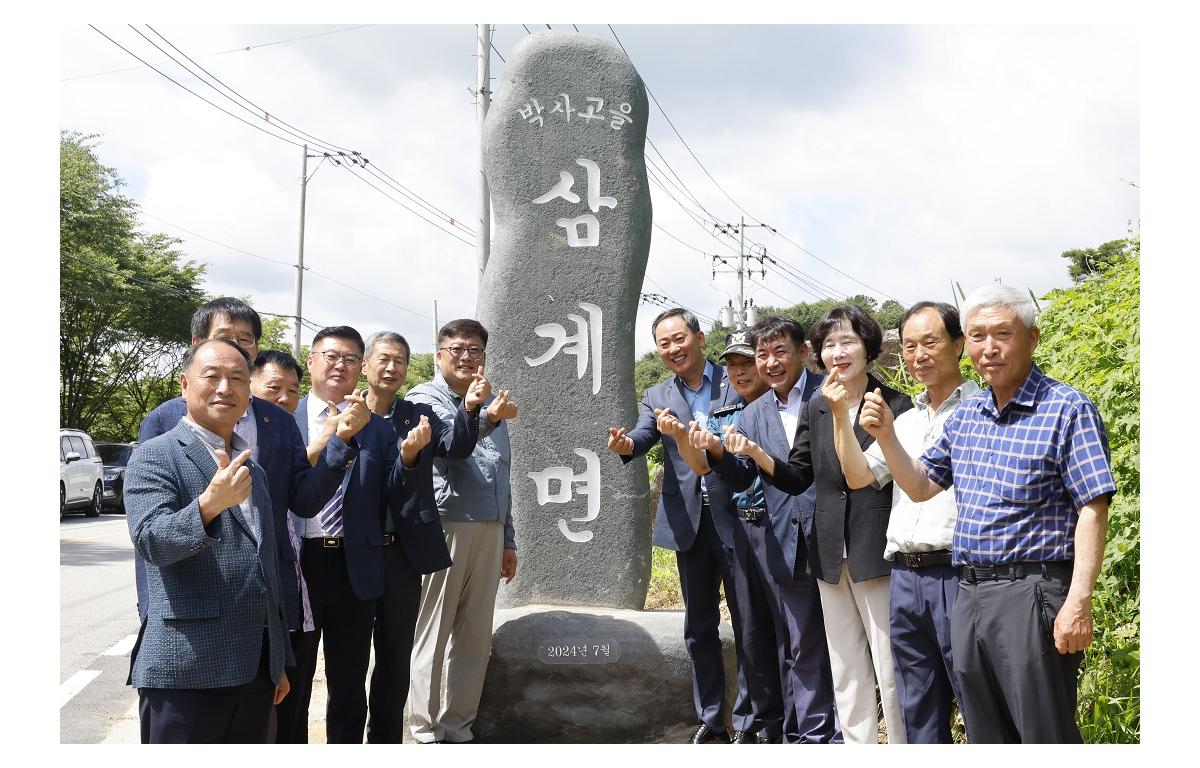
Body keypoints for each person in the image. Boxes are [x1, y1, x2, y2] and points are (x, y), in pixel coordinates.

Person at [858, 285, 1116, 743]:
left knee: (1042, 732)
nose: (988, 348)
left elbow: (1093, 509)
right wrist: (886, 437)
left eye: (1003, 333)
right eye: (978, 335)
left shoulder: (1066, 409)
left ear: (1032, 339)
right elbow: (918, 486)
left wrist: (1079, 601)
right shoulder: (966, 416)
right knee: (985, 733)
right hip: (970, 591)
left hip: (1034, 591)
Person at [724, 305, 912, 743]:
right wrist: (755, 453)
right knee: (845, 667)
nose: (838, 352)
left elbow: (861, 477)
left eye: (847, 342)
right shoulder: (817, 407)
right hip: (829, 551)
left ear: (868, 347)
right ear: (820, 355)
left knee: (889, 665)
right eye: (830, 345)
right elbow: (797, 476)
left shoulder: (893, 405)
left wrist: (844, 415)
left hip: (875, 548)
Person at [137, 299, 351, 641]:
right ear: (196, 346)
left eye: (245, 339)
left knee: (273, 692)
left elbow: (304, 500)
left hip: (267, 592)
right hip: (191, 601)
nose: (235, 344)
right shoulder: (164, 421)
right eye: (223, 335)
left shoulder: (279, 422)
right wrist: (150, 605)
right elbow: (151, 530)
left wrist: (340, 445)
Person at [124, 340, 295, 743]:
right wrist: (208, 506)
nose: (225, 388)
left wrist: (278, 659)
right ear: (184, 385)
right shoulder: (155, 455)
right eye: (212, 376)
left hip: (255, 671)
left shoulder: (254, 469)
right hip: (186, 669)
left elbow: (265, 566)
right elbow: (152, 541)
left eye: (237, 378)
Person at [828, 302, 976, 743]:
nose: (919, 355)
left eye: (930, 342)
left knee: (974, 696)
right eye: (910, 346)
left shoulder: (983, 410)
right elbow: (858, 476)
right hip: (906, 578)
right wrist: (841, 415)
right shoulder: (905, 420)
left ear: (959, 345)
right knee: (917, 705)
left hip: (958, 572)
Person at [277, 325, 432, 743]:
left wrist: (408, 458)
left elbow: (393, 491)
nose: (339, 365)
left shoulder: (378, 428)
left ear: (360, 368)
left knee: (348, 686)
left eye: (349, 358)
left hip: (354, 566)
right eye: (330, 356)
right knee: (294, 680)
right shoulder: (283, 418)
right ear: (310, 361)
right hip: (298, 565)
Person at [606, 308, 753, 744]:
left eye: (678, 339)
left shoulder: (735, 378)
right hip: (688, 523)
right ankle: (711, 720)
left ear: (699, 338)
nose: (672, 349)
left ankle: (748, 720)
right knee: (700, 625)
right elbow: (642, 436)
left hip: (739, 515)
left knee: (749, 621)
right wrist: (625, 443)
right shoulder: (657, 393)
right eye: (663, 343)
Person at [692, 318, 840, 743]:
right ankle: (811, 738)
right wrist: (718, 452)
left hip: (838, 538)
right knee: (800, 644)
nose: (770, 362)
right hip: (785, 542)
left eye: (780, 352)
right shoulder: (753, 413)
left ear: (803, 352)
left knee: (848, 642)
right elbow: (741, 478)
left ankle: (851, 734)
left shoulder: (829, 392)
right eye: (763, 354)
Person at [360, 331, 481, 744]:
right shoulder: (349, 415)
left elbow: (456, 447)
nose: (392, 368)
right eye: (384, 359)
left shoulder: (416, 415)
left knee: (395, 659)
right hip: (355, 552)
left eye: (400, 361)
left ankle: (386, 743)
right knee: (351, 662)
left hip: (403, 555)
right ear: (366, 365)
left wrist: (470, 408)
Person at [405, 319, 519, 744]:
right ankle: (423, 726)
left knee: (474, 634)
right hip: (446, 523)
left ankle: (459, 726)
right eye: (457, 349)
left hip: (489, 527)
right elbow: (453, 446)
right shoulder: (424, 397)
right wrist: (481, 413)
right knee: (433, 630)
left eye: (475, 350)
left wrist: (508, 539)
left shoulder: (490, 400)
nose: (467, 357)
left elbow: (501, 474)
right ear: (439, 355)